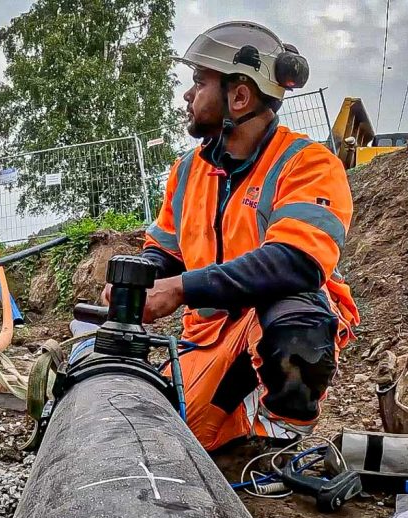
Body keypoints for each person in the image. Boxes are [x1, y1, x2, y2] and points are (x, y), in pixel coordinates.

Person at [103, 21, 360, 451]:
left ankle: (276, 444)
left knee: (298, 318)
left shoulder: (308, 164)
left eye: (199, 82)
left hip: (269, 325)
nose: (188, 95)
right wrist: (141, 275)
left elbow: (297, 261)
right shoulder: (188, 170)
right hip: (208, 337)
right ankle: (233, 440)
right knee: (179, 439)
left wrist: (180, 289)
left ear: (239, 96)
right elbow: (165, 250)